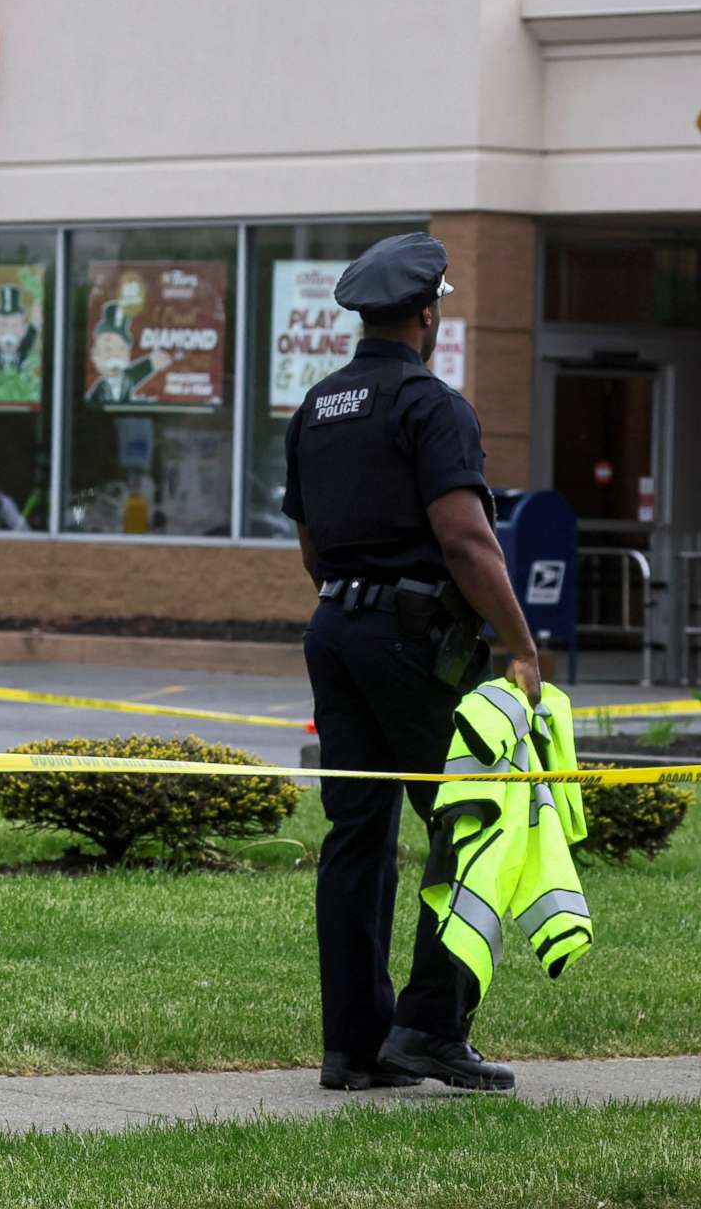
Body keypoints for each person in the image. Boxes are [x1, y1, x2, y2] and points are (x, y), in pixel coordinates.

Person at [283, 231, 544, 1096]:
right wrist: (519, 644)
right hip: (415, 642)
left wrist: (357, 604)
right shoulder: (433, 406)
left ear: (364, 315)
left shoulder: (317, 407)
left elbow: (313, 547)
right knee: (474, 825)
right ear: (428, 313)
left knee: (357, 833)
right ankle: (430, 1027)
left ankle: (352, 1047)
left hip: (335, 631)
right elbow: (467, 541)